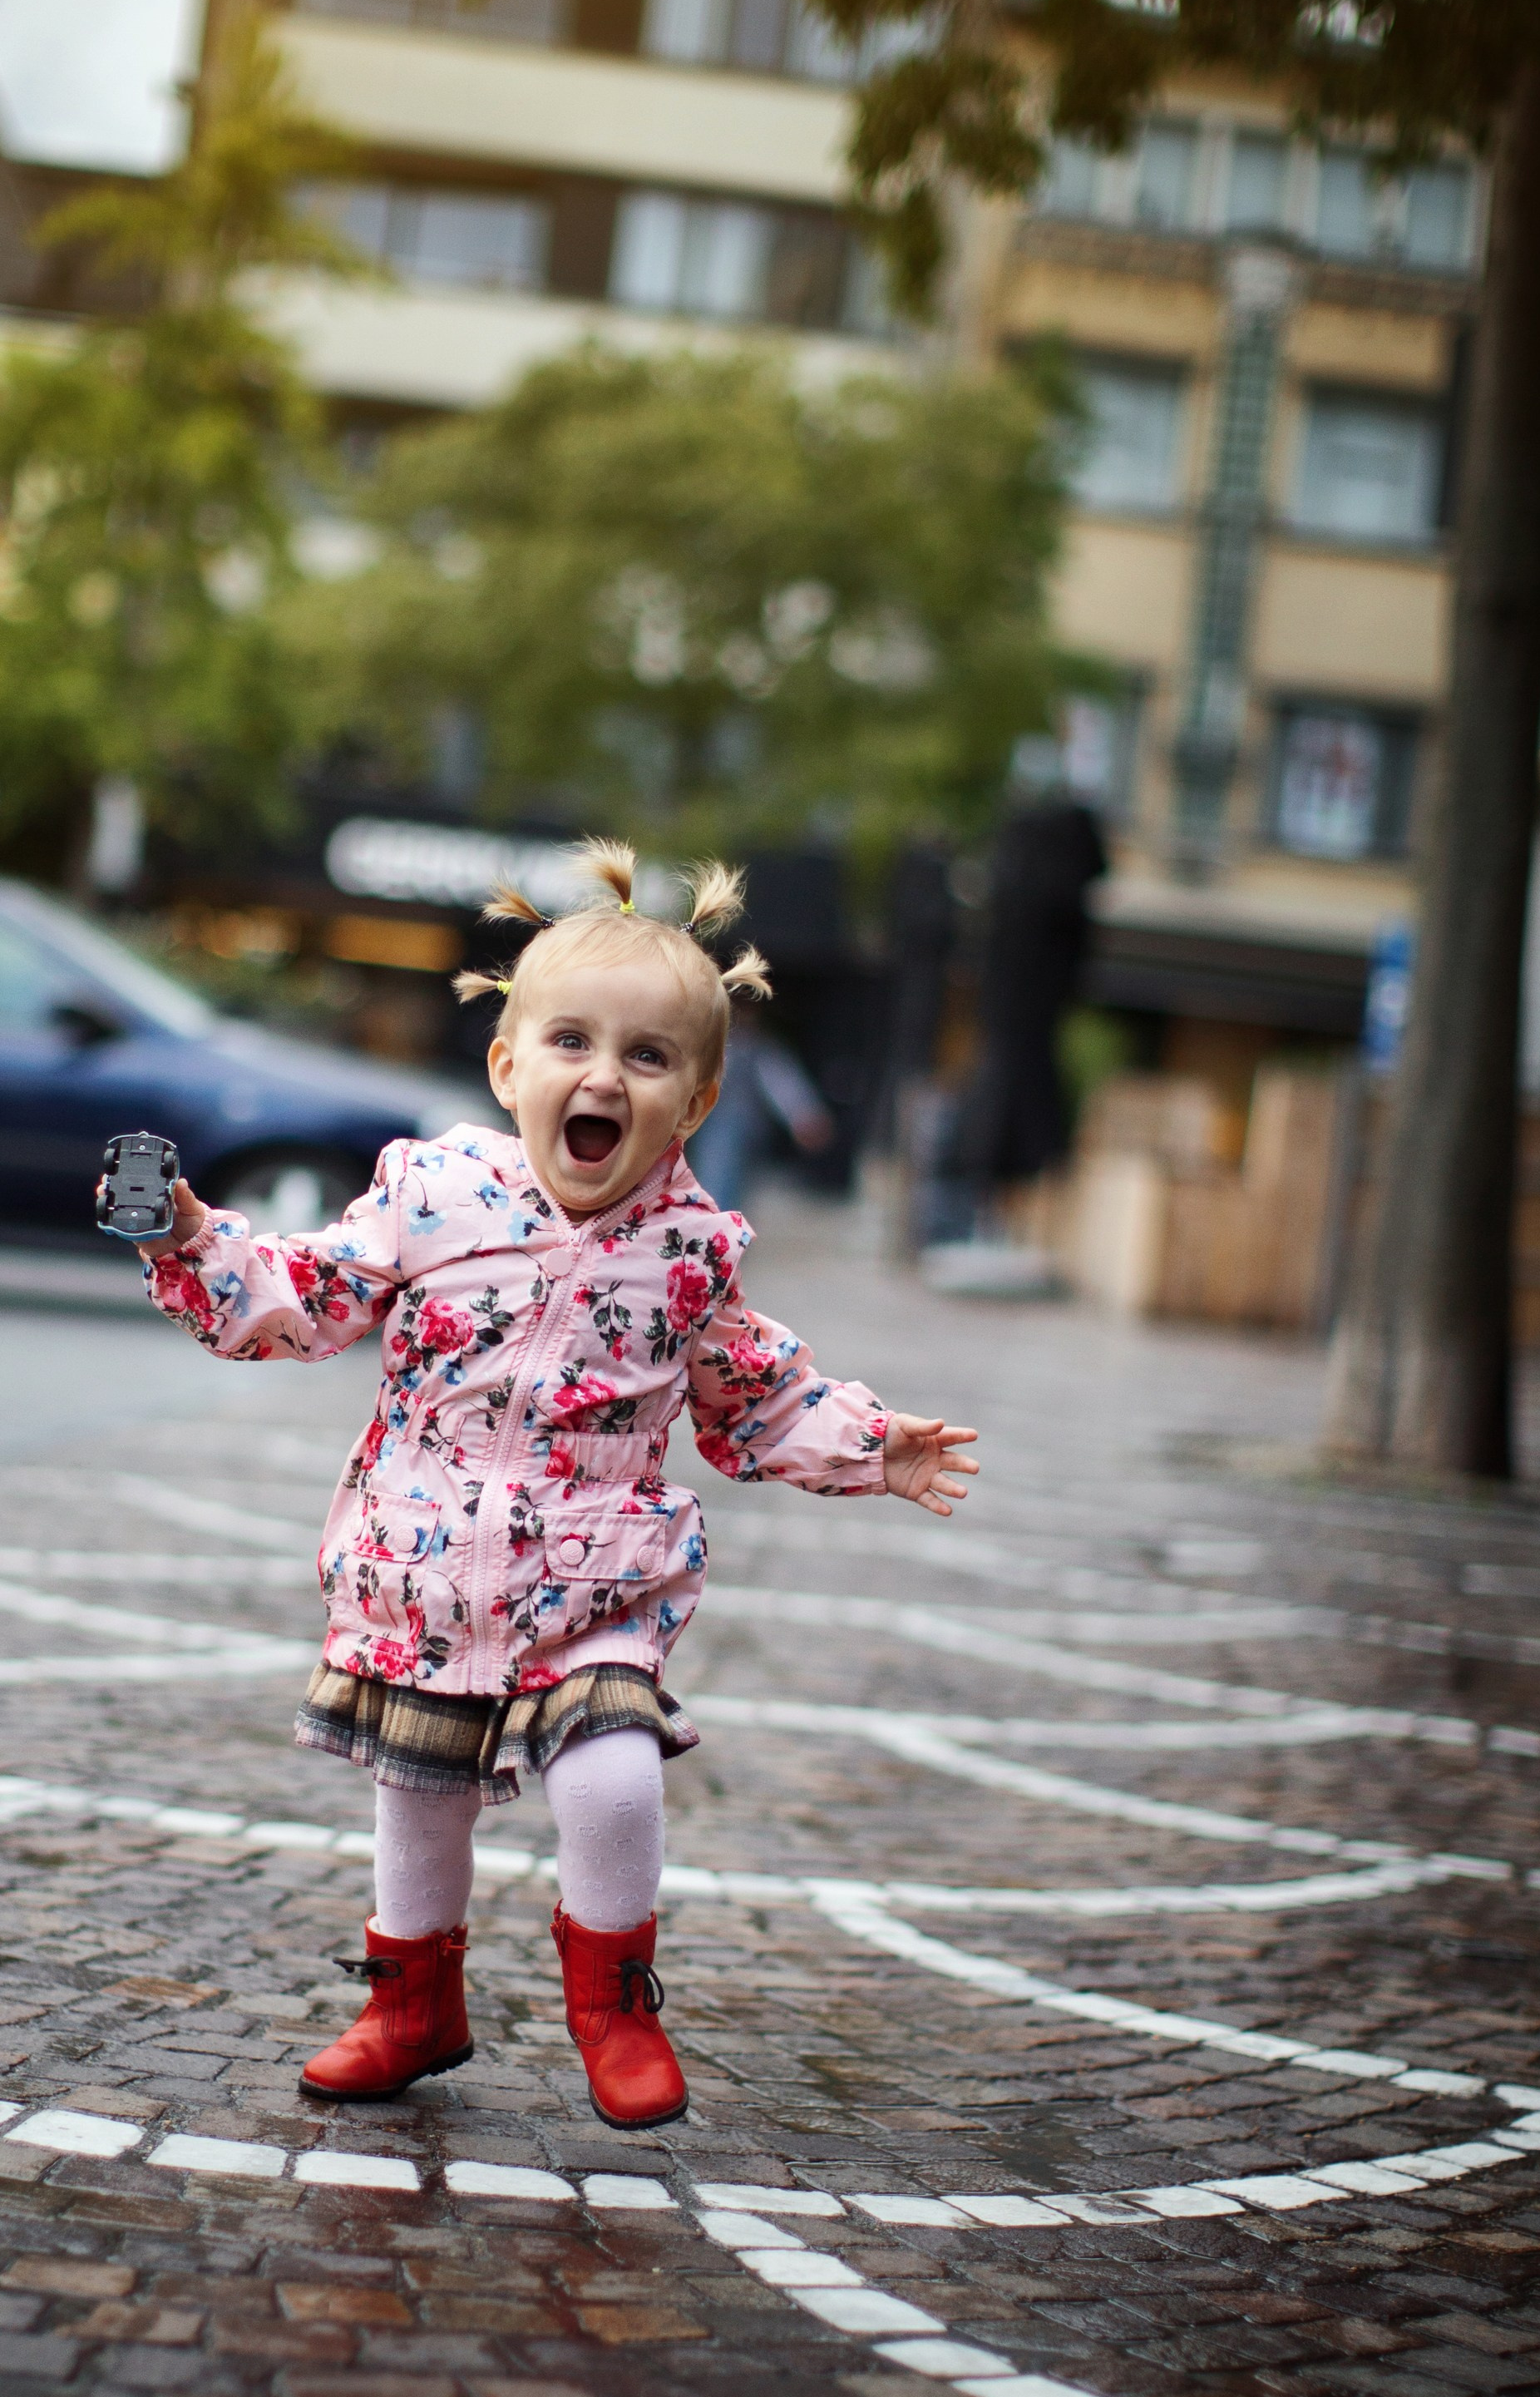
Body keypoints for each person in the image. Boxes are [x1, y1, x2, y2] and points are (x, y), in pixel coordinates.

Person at [137, 843, 978, 2133]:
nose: (604, 1076)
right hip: (423, 1569)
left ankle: (614, 2005)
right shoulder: (433, 1197)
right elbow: (304, 1302)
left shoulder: (691, 1253)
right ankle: (411, 2001)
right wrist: (199, 1242)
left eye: (647, 1059)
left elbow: (753, 1394)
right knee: (418, 1796)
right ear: (508, 1067)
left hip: (600, 1580)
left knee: (612, 1778)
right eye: (573, 1042)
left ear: (691, 1106)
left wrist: (874, 1446)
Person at [684, 1001, 836, 1215]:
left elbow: (780, 1082)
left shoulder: (754, 1049)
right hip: (704, 1130)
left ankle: (716, 1230)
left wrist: (804, 1116)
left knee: (720, 1178)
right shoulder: (705, 1047)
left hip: (733, 1131)